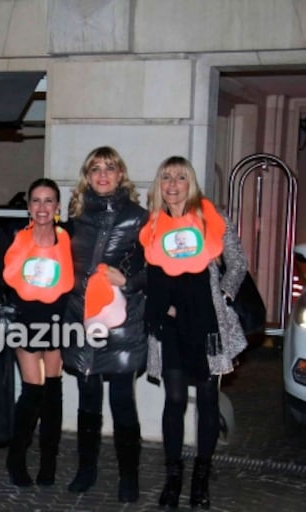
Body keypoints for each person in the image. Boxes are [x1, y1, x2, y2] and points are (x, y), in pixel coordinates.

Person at [140, 156, 248, 509]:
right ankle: (174, 477)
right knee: (173, 401)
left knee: (206, 401)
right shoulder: (152, 224)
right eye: (166, 177)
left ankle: (201, 478)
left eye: (180, 177)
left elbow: (237, 262)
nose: (172, 184)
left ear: (192, 183)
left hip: (206, 324)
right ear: (160, 185)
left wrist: (225, 294)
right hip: (168, 324)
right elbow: (147, 273)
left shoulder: (211, 218)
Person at [62, 146, 148, 503]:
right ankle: (86, 469)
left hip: (122, 322)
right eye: (95, 168)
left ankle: (129, 476)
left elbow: (154, 269)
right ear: (87, 176)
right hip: (82, 318)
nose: (102, 175)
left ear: (120, 174)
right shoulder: (76, 217)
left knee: (122, 398)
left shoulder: (139, 217)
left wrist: (127, 280)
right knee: (87, 397)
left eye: (109, 168)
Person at [0, 178, 74, 487]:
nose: (42, 207)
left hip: (56, 321)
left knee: (53, 392)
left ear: (57, 207)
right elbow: (0, 276)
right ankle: (17, 457)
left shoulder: (68, 238)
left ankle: (49, 461)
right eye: (36, 201)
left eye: (48, 200)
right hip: (25, 321)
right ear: (28, 206)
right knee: (32, 390)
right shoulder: (14, 237)